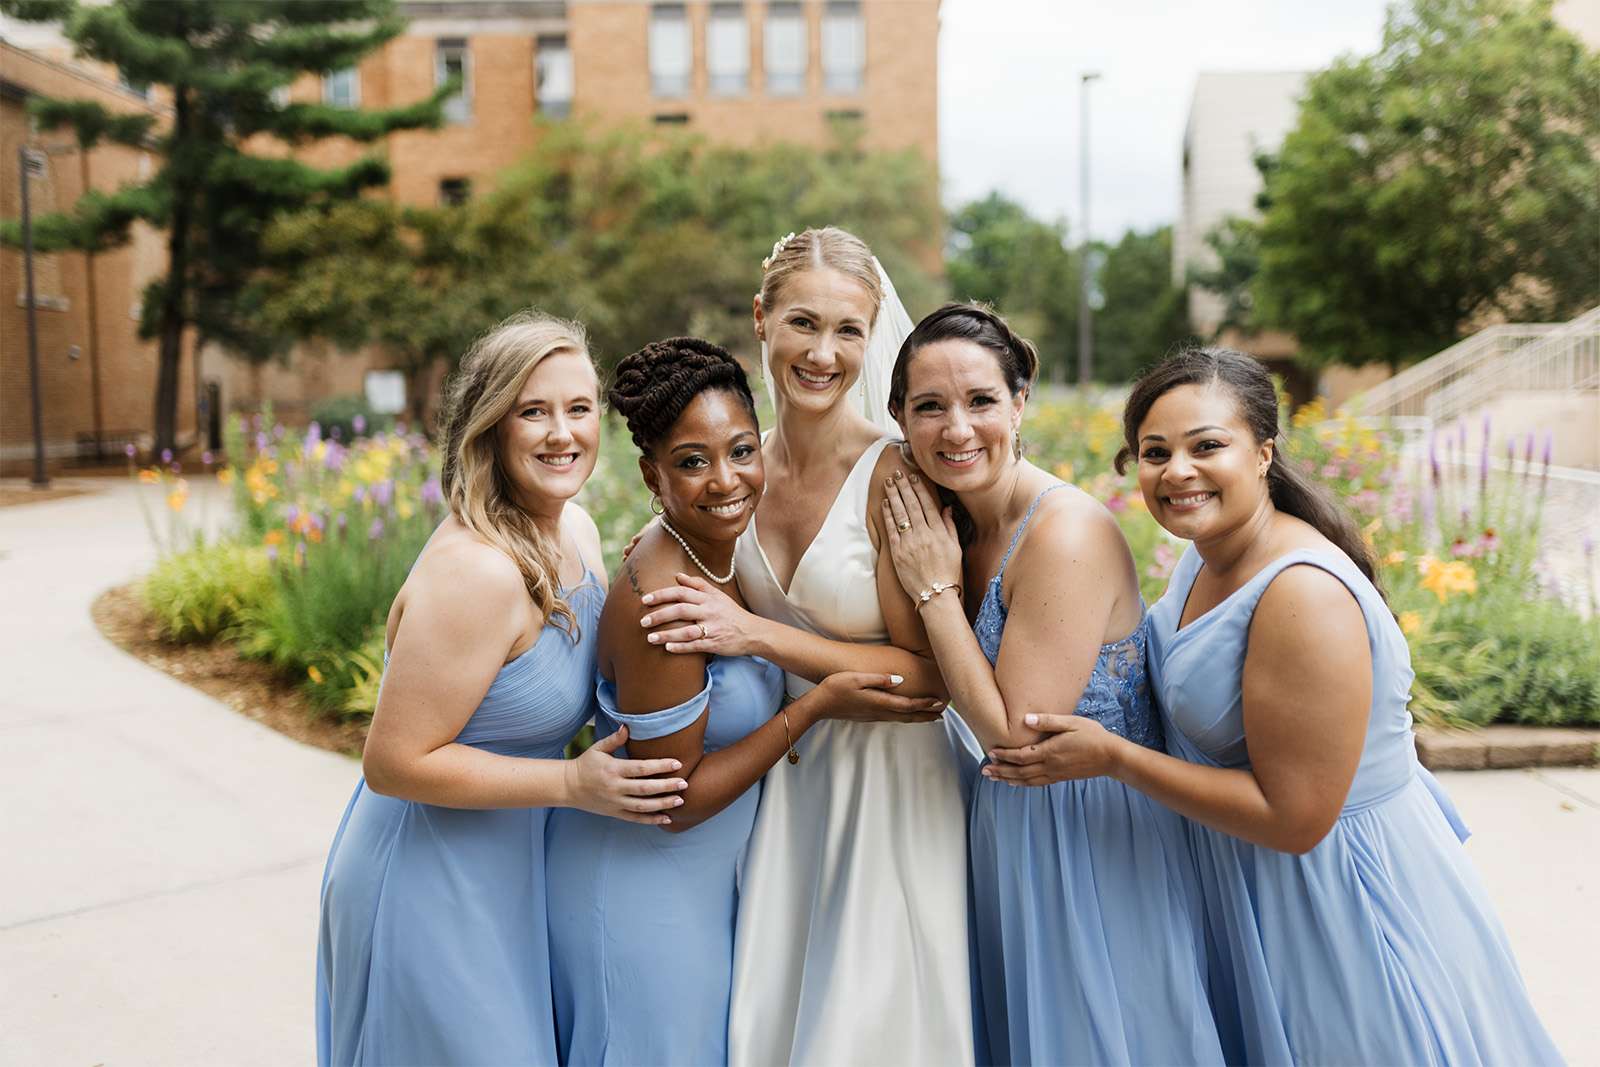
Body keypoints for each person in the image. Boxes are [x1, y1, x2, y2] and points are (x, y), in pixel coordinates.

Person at [986, 346, 1564, 1065]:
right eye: (1155, 452)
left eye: (1206, 446)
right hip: (1252, 887)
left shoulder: (1302, 594)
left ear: (1263, 453)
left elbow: (1295, 819)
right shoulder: (1208, 554)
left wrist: (1116, 758)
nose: (1177, 471)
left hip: (1338, 901)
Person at [546, 337, 942, 1066]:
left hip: (708, 885)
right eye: (692, 462)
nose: (725, 479)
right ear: (652, 474)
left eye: (740, 451)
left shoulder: (721, 550)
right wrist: (812, 708)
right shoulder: (667, 603)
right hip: (643, 890)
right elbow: (673, 800)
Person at [634, 228, 978, 1065]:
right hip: (789, 785)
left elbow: (929, 677)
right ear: (762, 319)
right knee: (780, 1020)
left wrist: (758, 633)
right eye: (803, 323)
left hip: (892, 782)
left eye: (848, 330)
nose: (824, 353)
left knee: (870, 1025)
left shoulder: (893, 476)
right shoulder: (739, 472)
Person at [315, 312, 687, 1066]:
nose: (562, 433)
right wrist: (571, 783)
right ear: (491, 425)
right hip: (427, 876)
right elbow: (391, 762)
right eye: (533, 411)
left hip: (511, 867)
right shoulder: (478, 570)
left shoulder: (576, 530)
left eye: (578, 408)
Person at [878, 303, 1224, 1066]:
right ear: (899, 417)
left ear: (1019, 403)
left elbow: (1016, 733)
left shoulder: (1065, 532)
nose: (957, 429)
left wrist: (935, 591)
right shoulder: (953, 521)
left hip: (1093, 836)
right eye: (929, 406)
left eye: (981, 400)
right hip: (1008, 826)